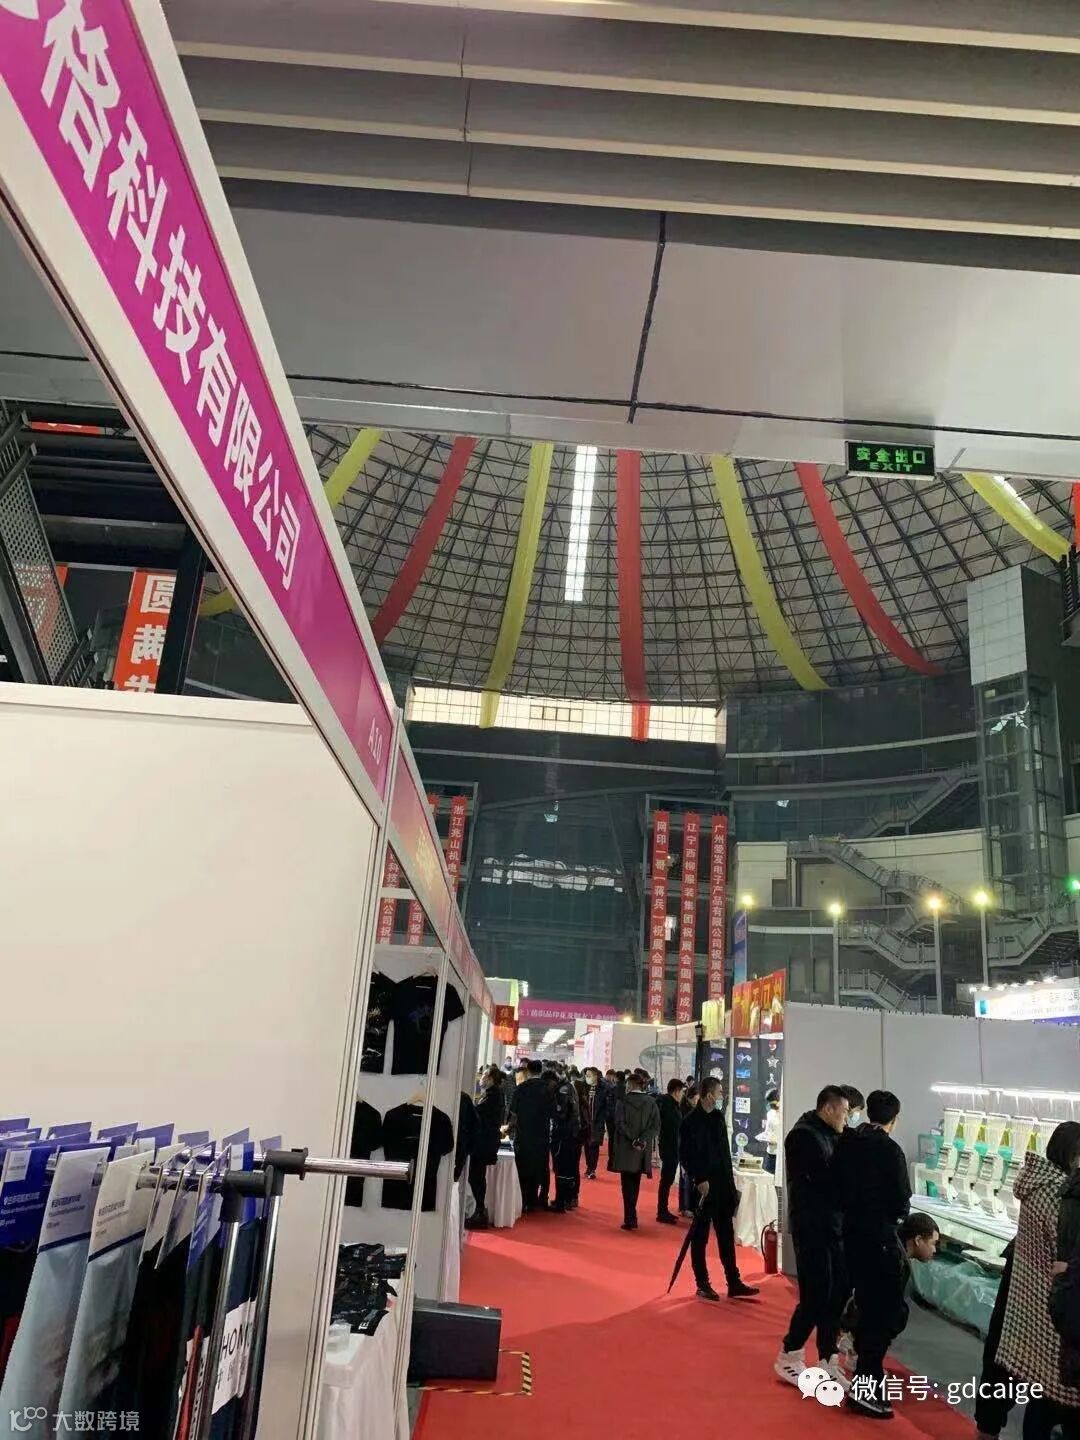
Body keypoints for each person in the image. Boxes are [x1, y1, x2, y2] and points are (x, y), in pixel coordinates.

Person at [997, 1121, 1080, 1440]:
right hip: (1054, 1307)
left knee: (1041, 1392)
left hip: (1032, 1304)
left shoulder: (1035, 1185)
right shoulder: (1059, 1195)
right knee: (1059, 1394)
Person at [836, 1089, 912, 1418]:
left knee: (862, 1307)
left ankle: (863, 1380)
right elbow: (900, 1201)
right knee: (881, 1315)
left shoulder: (848, 1142)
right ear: (894, 1119)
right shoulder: (890, 1151)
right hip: (878, 1241)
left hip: (848, 1238)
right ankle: (866, 1387)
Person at [774, 1084, 849, 1389]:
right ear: (829, 1109)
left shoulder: (832, 1135)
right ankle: (789, 1353)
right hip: (812, 1228)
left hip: (833, 1226)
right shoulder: (803, 1136)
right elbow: (824, 1181)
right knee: (815, 1295)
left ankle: (827, 1357)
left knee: (835, 1294)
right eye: (845, 1111)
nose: (847, 1118)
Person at [844, 1213, 939, 1420]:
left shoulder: (893, 1253)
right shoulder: (893, 1260)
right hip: (872, 1325)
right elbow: (882, 1304)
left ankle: (862, 1390)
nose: (935, 1250)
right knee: (874, 1349)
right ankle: (861, 1395)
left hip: (868, 1322)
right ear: (918, 1240)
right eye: (933, 1243)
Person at [680, 1076, 759, 1301]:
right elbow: (685, 1155)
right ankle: (702, 1282)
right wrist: (699, 1178)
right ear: (708, 1095)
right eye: (719, 1093)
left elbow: (724, 1154)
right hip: (702, 1189)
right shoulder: (689, 1122)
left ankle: (733, 1281)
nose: (721, 1096)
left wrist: (731, 1188)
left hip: (723, 1187)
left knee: (726, 1235)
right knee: (700, 1238)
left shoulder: (717, 1118)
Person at [608, 1072, 660, 1231]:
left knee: (626, 1185)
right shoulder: (651, 1102)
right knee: (635, 1183)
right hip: (641, 1151)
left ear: (630, 1085)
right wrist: (642, 1139)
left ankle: (630, 1217)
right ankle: (632, 1216)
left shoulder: (622, 1101)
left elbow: (619, 1123)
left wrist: (633, 1139)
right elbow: (655, 1126)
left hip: (625, 1149)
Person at [508, 1059, 554, 1212]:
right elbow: (553, 1112)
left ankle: (523, 1200)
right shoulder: (548, 1089)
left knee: (523, 1167)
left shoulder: (521, 1088)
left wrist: (510, 1128)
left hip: (523, 1135)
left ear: (527, 1071)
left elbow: (513, 1113)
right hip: (542, 1135)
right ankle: (537, 1199)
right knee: (540, 1167)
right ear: (541, 1071)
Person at [467, 1065, 505, 1230]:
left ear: (489, 1079)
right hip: (484, 1141)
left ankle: (480, 1211)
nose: (481, 1078)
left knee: (477, 1177)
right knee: (477, 1176)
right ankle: (479, 1210)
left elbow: (476, 1113)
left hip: (484, 1142)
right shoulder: (492, 1094)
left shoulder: (492, 1096)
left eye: (483, 1076)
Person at [550, 1067, 582, 1213]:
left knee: (562, 1168)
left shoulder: (563, 1090)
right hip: (573, 1133)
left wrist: (552, 1113)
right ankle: (570, 1198)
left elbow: (561, 1114)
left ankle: (562, 1201)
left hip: (564, 1134)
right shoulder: (570, 1087)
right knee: (571, 1167)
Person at [656, 1078, 685, 1224]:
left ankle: (663, 1210)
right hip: (669, 1148)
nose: (682, 1095)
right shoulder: (667, 1105)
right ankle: (662, 1211)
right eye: (682, 1092)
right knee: (666, 1180)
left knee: (667, 1180)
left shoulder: (672, 1105)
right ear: (677, 1091)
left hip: (672, 1147)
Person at [582, 1066, 610, 1179]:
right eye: (586, 1075)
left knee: (594, 1146)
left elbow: (607, 1106)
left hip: (598, 1123)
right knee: (587, 1146)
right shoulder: (584, 1087)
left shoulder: (604, 1088)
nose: (587, 1077)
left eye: (589, 1075)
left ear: (596, 1076)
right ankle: (589, 1167)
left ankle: (592, 1169)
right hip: (586, 1123)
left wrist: (603, 1118)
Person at [678, 1083, 700, 1216]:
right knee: (687, 1179)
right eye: (697, 1098)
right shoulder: (686, 1111)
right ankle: (687, 1207)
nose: (698, 1101)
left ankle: (686, 1206)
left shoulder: (689, 1109)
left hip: (689, 1149)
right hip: (686, 1149)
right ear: (691, 1097)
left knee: (687, 1179)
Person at [757, 1089, 781, 1175]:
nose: (771, 1106)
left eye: (773, 1103)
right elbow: (767, 1131)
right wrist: (763, 1137)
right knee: (769, 1177)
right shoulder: (770, 1113)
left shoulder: (784, 1114)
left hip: (780, 1153)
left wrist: (777, 1141)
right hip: (770, 1152)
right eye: (770, 1104)